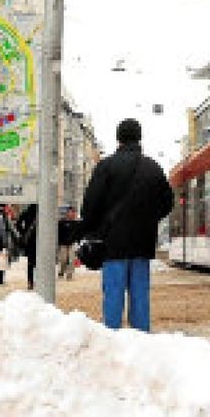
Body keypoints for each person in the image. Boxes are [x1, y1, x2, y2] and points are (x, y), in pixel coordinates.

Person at [81, 118, 174, 331]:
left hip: (112, 243)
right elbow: (167, 203)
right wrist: (149, 219)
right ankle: (141, 340)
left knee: (113, 293)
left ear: (118, 138)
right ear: (139, 137)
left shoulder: (106, 166)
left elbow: (90, 204)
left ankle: (112, 338)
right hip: (142, 242)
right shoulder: (153, 168)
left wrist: (92, 229)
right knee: (140, 293)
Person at [15, 204, 39, 289]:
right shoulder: (42, 213)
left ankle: (30, 281)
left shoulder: (26, 212)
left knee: (30, 262)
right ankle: (39, 281)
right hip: (41, 240)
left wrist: (23, 232)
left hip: (29, 240)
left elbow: (17, 224)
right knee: (39, 262)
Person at [57, 207, 81, 281]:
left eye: (74, 212)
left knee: (71, 260)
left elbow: (78, 234)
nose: (72, 214)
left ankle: (69, 274)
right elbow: (58, 233)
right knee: (63, 259)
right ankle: (61, 272)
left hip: (72, 244)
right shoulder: (61, 222)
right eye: (71, 212)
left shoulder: (77, 223)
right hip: (63, 244)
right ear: (67, 213)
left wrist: (78, 242)